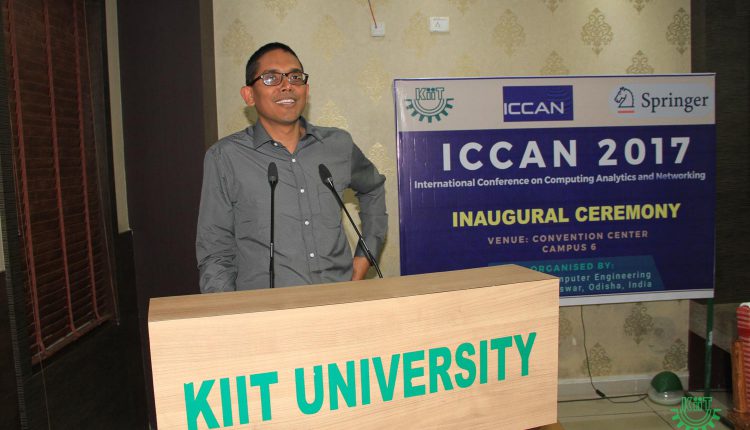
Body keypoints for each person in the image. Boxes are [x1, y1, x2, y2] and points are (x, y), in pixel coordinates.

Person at [196, 42, 387, 293]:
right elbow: (215, 251)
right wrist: (229, 311)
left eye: (295, 77)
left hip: (338, 301)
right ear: (249, 95)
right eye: (271, 78)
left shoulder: (337, 145)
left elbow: (373, 188)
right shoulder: (225, 157)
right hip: (266, 310)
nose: (287, 86)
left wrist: (365, 257)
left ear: (306, 90)